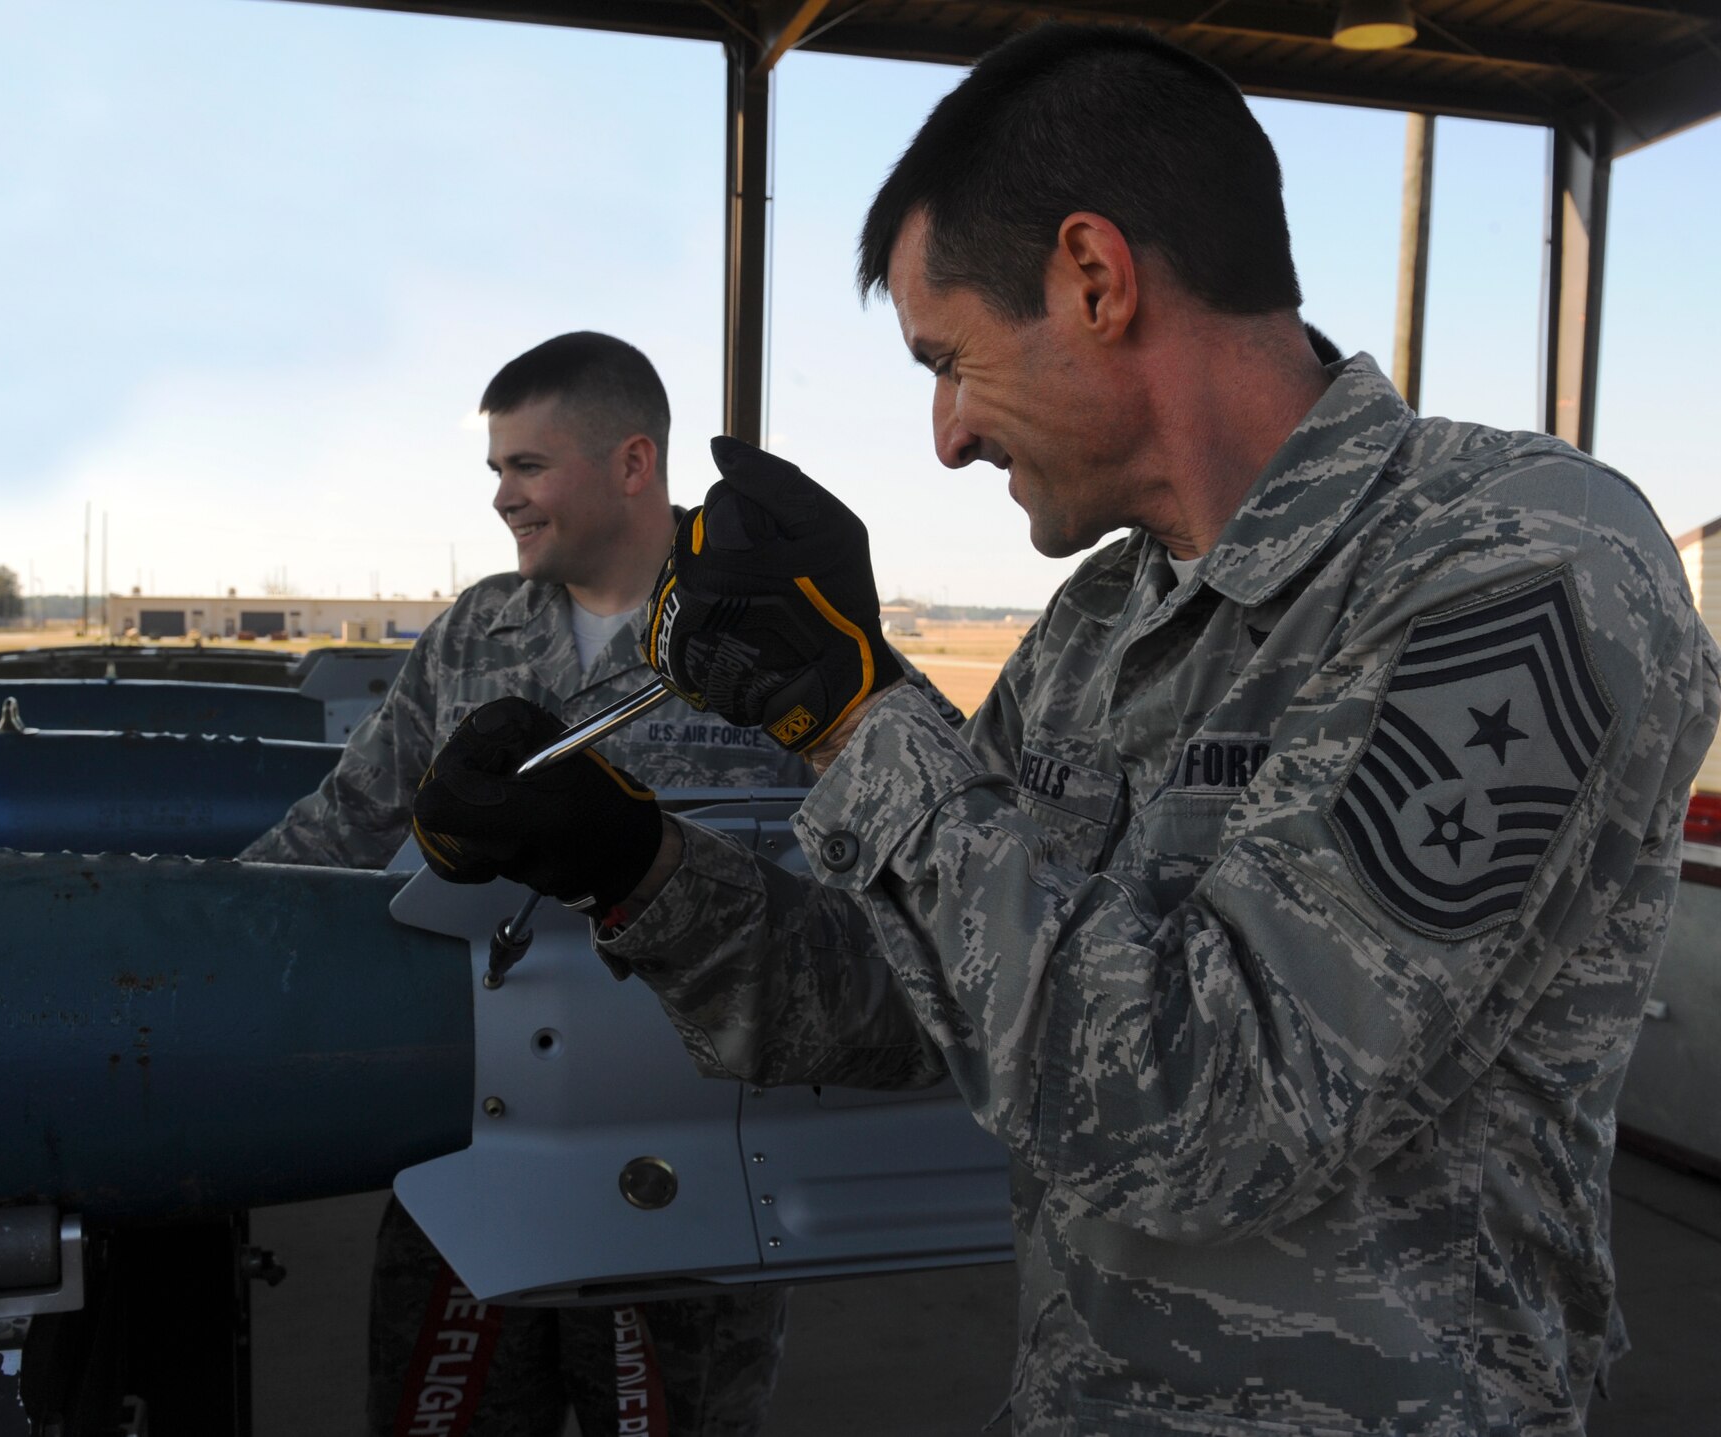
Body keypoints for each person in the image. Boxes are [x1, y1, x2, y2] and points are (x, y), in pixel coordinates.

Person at [406, 24, 1721, 1437]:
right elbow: (923, 994)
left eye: (951, 359)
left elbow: (1209, 1115)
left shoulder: (1519, 561)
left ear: (1095, 279)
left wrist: (860, 714)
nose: (947, 436)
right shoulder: (1108, 619)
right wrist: (633, 865)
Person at [243, 331, 813, 1436]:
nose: (502, 495)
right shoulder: (473, 634)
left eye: (528, 466)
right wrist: (187, 929)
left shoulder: (770, 640)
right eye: (497, 468)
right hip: (474, 1137)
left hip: (683, 1152)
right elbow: (344, 822)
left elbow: (888, 850)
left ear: (633, 463)